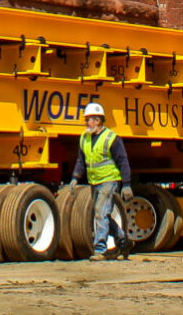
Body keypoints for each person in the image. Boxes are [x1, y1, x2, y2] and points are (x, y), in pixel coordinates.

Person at [69, 101, 132, 259]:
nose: (86, 123)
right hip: (94, 181)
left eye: (89, 119)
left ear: (98, 121)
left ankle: (100, 250)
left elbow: (123, 161)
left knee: (101, 214)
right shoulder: (85, 138)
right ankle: (123, 240)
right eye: (86, 119)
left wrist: (126, 185)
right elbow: (81, 160)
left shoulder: (111, 138)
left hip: (109, 181)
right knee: (102, 214)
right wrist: (75, 178)